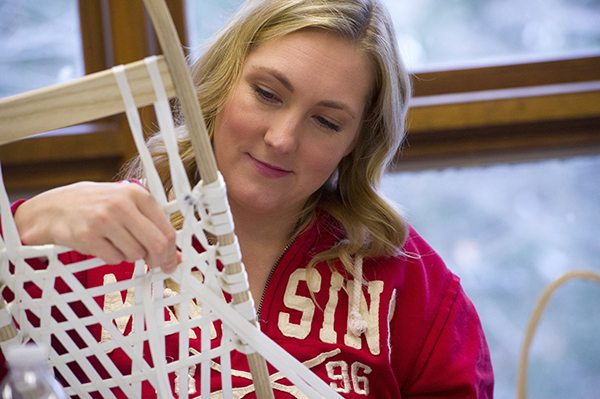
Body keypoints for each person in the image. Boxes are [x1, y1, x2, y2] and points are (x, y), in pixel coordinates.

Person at [3, 0, 494, 397]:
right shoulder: (78, 240)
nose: (282, 138)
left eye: (326, 121)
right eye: (267, 93)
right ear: (219, 86)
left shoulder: (416, 292)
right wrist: (19, 228)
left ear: (356, 144)